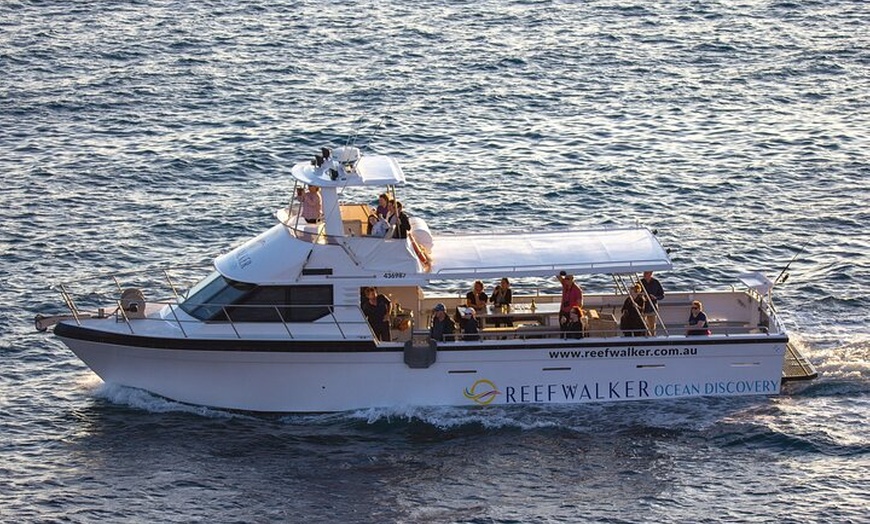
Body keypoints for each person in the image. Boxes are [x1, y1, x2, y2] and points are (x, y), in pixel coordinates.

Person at [640, 271, 665, 335]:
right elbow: (635, 293)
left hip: (652, 307)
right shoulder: (640, 282)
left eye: (646, 273)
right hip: (642, 307)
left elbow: (662, 295)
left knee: (652, 326)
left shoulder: (656, 282)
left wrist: (655, 297)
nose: (644, 274)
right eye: (644, 273)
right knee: (642, 325)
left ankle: (652, 338)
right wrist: (641, 295)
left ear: (651, 273)